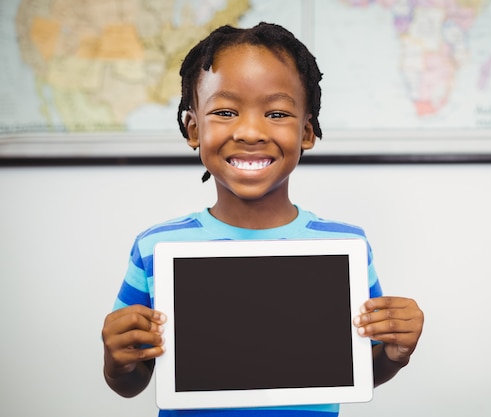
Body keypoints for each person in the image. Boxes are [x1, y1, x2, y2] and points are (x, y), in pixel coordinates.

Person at [101, 22, 424, 416]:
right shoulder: (156, 247)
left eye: (276, 113)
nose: (251, 132)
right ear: (193, 129)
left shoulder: (346, 246)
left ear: (307, 132)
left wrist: (395, 353)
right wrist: (118, 360)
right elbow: (133, 380)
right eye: (224, 111)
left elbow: (358, 369)